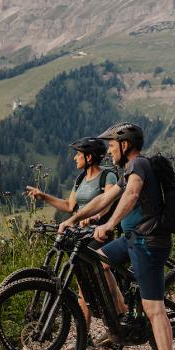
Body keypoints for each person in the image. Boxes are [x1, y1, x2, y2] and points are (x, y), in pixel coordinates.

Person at [59, 122, 175, 350]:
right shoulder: (126, 171)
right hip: (131, 240)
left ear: (125, 145)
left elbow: (132, 196)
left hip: (148, 242)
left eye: (113, 146)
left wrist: (110, 223)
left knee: (154, 309)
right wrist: (76, 218)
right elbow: (105, 198)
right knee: (98, 260)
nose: (109, 151)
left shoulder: (138, 166)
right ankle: (121, 317)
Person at [26, 136, 117, 332]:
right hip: (79, 235)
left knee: (93, 277)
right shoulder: (80, 179)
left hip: (98, 233)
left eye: (78, 154)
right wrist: (43, 195)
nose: (75, 158)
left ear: (90, 156)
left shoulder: (107, 176)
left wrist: (94, 217)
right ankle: (86, 334)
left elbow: (107, 202)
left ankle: (118, 313)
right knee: (82, 284)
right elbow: (69, 206)